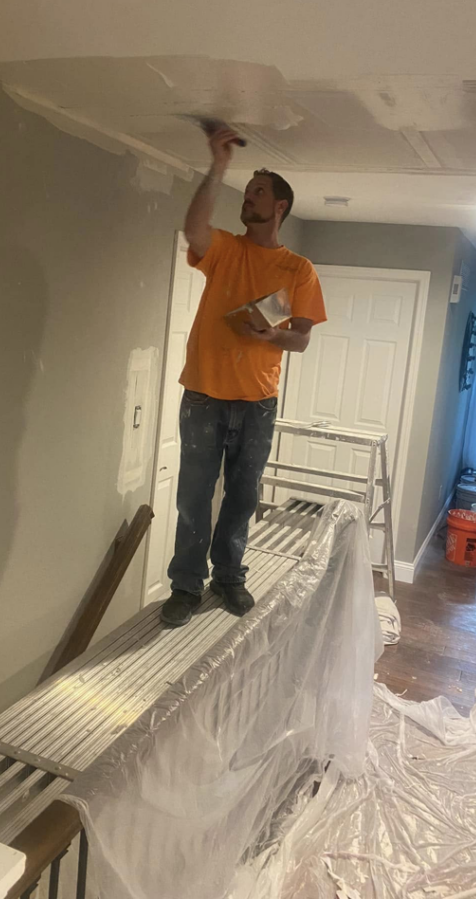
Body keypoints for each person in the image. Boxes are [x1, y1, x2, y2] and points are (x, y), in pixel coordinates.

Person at [161, 126, 327, 627]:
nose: (247, 198)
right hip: (204, 395)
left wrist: (267, 336)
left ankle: (228, 577)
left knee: (243, 494)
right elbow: (194, 230)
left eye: (258, 192)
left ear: (279, 207)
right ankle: (186, 586)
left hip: (257, 402)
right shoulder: (227, 249)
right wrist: (218, 166)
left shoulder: (298, 269)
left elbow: (300, 337)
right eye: (247, 190)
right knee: (193, 494)